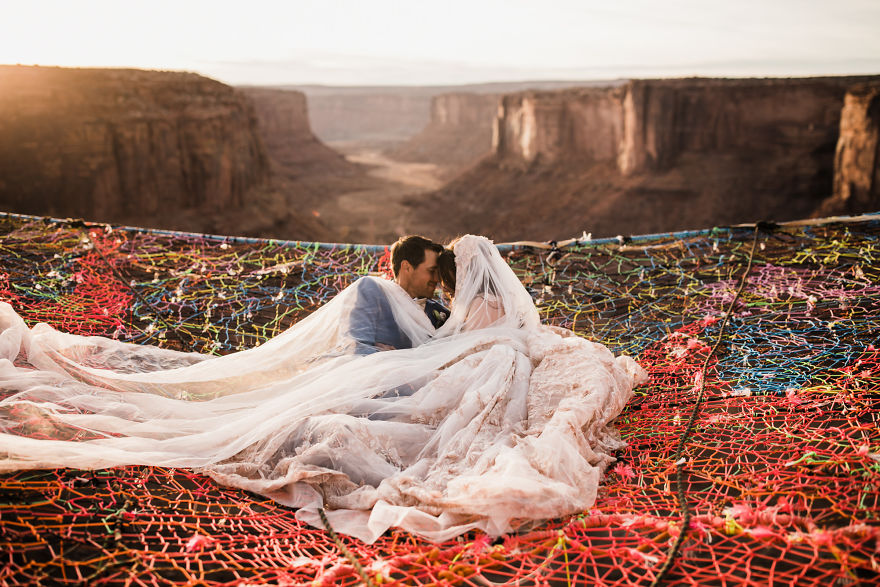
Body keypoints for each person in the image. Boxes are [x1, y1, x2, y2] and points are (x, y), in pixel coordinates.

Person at [0, 235, 646, 543]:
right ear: (405, 266)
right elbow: (368, 350)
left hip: (429, 377)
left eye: (439, 277)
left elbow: (464, 337)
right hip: (373, 378)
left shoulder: (443, 313)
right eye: (427, 272)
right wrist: (411, 368)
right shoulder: (376, 291)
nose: (433, 283)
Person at [348, 235, 449, 354]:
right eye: (431, 271)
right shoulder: (373, 291)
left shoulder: (442, 314)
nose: (437, 279)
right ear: (407, 267)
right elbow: (359, 347)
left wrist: (396, 356)